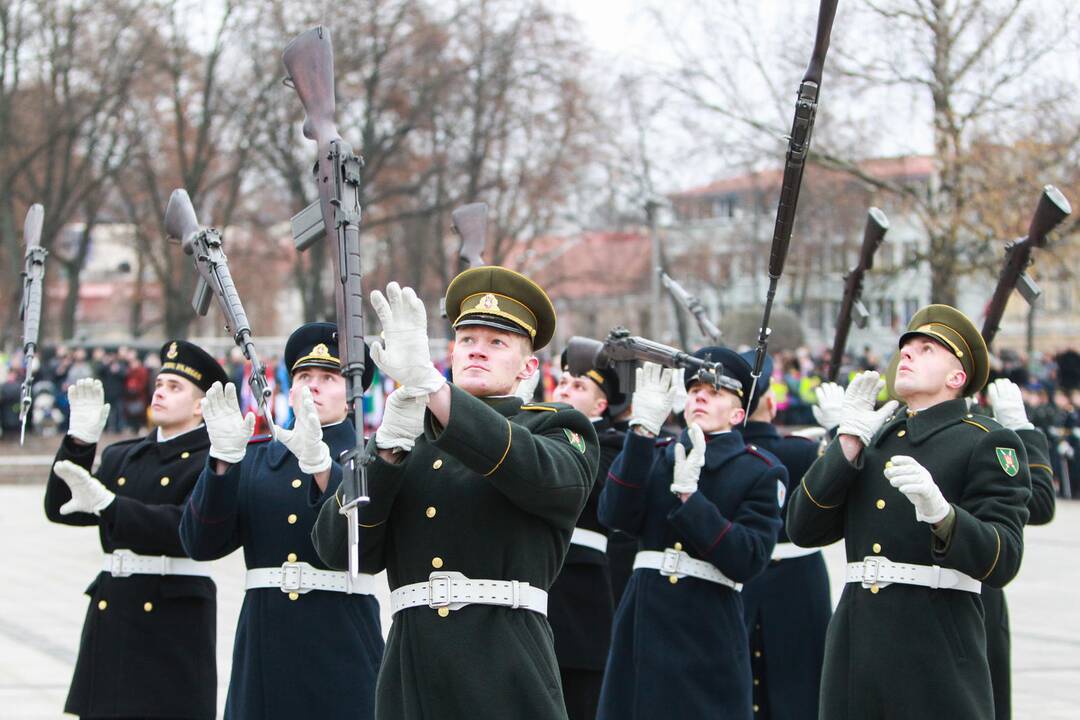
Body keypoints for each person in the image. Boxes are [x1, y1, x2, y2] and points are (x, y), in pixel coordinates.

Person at [312, 268, 599, 720]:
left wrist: (437, 393)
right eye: (467, 339)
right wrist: (385, 451)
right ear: (451, 352)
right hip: (413, 671)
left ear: (529, 368)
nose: (478, 349)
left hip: (506, 665)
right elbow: (341, 551)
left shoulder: (555, 427)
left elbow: (549, 480)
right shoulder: (405, 438)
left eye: (497, 342)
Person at [787, 304, 1031, 718]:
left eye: (926, 348)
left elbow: (1004, 556)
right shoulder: (874, 437)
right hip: (856, 648)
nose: (907, 354)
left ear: (958, 378)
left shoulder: (986, 441)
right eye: (905, 348)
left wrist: (944, 516)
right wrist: (845, 445)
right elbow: (802, 528)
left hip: (933, 652)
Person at [179, 322, 382, 719]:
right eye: (305, 376)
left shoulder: (372, 456)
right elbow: (201, 543)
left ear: (354, 394)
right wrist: (221, 463)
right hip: (265, 642)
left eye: (330, 377)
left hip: (341, 637)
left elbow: (368, 534)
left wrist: (325, 470)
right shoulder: (257, 455)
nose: (315, 386)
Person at [597, 348, 786, 720]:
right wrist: (641, 432)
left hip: (707, 626)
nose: (700, 395)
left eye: (714, 392)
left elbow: (748, 558)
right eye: (695, 389)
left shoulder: (760, 470)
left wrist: (691, 499)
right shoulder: (656, 453)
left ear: (737, 413)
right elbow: (614, 514)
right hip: (644, 618)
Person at [44, 340, 227, 720]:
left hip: (172, 618)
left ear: (200, 406)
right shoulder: (122, 455)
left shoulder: (213, 461)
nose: (159, 392)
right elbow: (63, 508)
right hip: (115, 610)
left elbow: (186, 528)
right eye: (159, 383)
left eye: (175, 388)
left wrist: (112, 505)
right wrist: (79, 444)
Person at [739, 351, 831, 720]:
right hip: (800, 580)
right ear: (772, 404)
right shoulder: (802, 451)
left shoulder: (724, 457)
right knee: (803, 685)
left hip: (741, 573)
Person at [548, 352, 626, 720]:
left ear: (601, 403)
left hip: (580, 590)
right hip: (534, 579)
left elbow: (592, 486)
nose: (564, 390)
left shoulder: (612, 443)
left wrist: (562, 431)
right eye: (562, 382)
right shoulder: (534, 433)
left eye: (578, 386)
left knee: (580, 700)